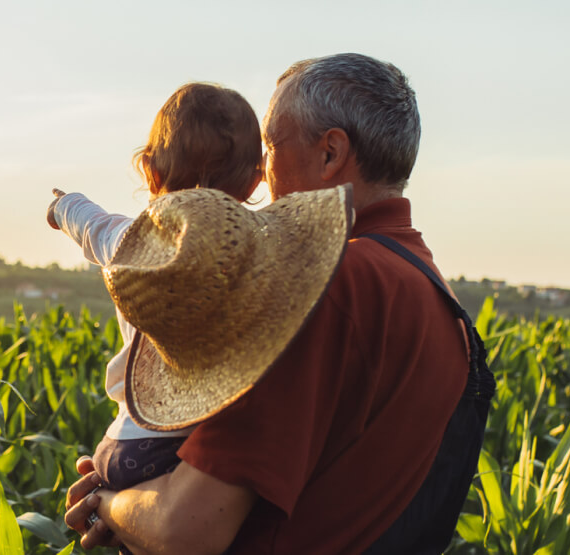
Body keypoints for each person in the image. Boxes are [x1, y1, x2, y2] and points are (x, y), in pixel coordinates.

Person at [63, 53, 495, 554]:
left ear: (330, 153)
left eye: (270, 145)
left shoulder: (324, 289)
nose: (262, 179)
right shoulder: (435, 298)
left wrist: (109, 501)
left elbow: (188, 528)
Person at [46, 82, 263, 492]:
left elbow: (91, 223)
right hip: (188, 445)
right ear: (256, 181)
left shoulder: (129, 239)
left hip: (128, 441)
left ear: (150, 170)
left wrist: (63, 205)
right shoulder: (256, 259)